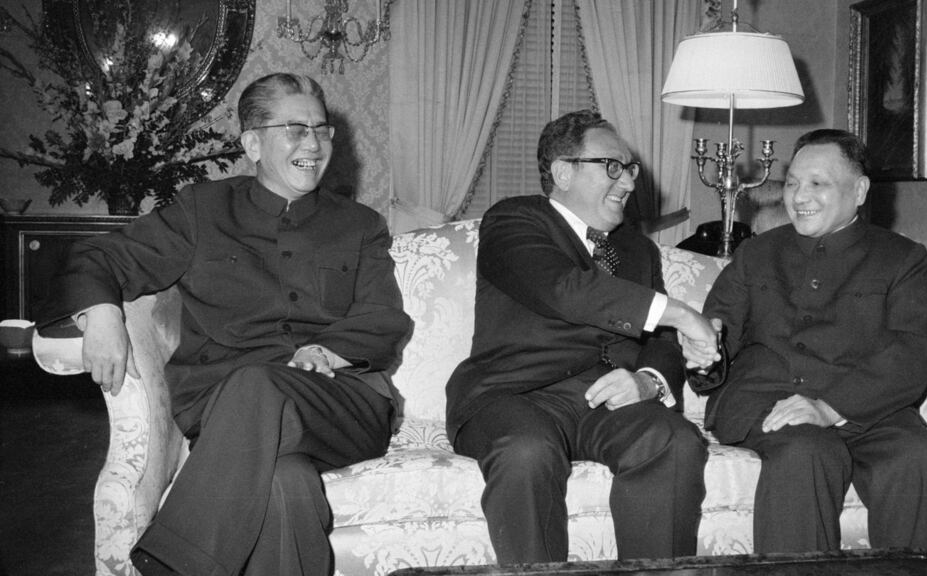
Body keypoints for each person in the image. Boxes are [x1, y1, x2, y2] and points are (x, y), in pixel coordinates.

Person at [37, 73, 411, 576]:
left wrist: (325, 351)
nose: (314, 143)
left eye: (322, 130)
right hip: (228, 413)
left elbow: (383, 318)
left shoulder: (361, 225)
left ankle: (171, 567)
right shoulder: (202, 210)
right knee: (286, 485)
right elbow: (98, 256)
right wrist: (102, 312)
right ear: (253, 144)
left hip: (340, 404)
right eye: (295, 128)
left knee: (259, 383)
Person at [446, 109, 720, 564]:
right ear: (562, 171)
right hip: (515, 396)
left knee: (674, 440)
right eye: (612, 166)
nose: (629, 182)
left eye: (630, 169)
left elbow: (659, 341)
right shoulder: (514, 221)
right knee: (526, 452)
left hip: (606, 401)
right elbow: (564, 289)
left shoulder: (638, 248)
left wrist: (647, 380)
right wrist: (683, 315)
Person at [690, 128, 927, 556]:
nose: (799, 196)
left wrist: (829, 407)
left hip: (869, 411)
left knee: (919, 459)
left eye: (817, 183)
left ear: (860, 190)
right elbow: (715, 334)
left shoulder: (901, 258)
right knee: (805, 450)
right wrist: (703, 355)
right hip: (768, 402)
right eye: (793, 183)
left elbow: (914, 348)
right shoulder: (756, 253)